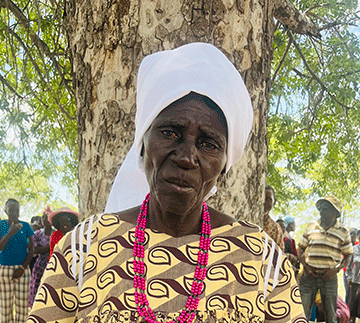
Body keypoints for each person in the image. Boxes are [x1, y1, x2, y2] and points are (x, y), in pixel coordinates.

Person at [28, 43, 305, 323]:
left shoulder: (261, 257)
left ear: (223, 168)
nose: (186, 157)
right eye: (171, 132)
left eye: (208, 144)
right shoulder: (82, 247)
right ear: (142, 144)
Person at [298, 195, 353, 323]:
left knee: (330, 314)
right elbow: (300, 248)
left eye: (326, 209)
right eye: (321, 208)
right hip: (309, 275)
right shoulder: (312, 226)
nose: (322, 211)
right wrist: (305, 267)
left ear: (335, 213)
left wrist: (336, 270)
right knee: (302, 313)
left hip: (329, 277)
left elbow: (348, 255)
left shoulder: (343, 231)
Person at [0, 198, 34, 323]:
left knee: (22, 307)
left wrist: (22, 268)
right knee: (5, 306)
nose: (14, 213)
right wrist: (10, 233)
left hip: (23, 270)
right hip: (4, 270)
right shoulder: (1, 225)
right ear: (5, 210)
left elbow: (32, 250)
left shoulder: (26, 226)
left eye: (17, 210)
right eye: (11, 210)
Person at [28, 206, 54, 308]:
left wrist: (43, 249)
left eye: (47, 218)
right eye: (43, 218)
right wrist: (48, 248)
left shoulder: (56, 233)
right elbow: (32, 250)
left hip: (52, 266)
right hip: (40, 266)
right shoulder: (37, 234)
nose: (44, 221)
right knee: (37, 291)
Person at [263, 185, 284, 251]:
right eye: (263, 198)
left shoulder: (276, 229)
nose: (265, 202)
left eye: (269, 199)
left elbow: (279, 253)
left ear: (274, 202)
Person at [348, 229, 360, 322]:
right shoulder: (354, 249)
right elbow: (348, 265)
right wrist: (348, 277)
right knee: (352, 304)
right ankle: (352, 320)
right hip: (354, 281)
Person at [345, 228, 358, 304]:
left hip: (356, 273)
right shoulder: (346, 244)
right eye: (351, 234)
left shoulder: (357, 245)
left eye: (354, 234)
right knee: (348, 291)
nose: (352, 236)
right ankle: (347, 308)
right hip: (347, 272)